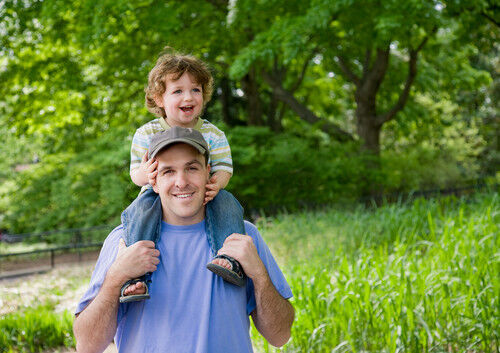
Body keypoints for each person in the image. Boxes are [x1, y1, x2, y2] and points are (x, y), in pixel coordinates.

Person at [73, 127, 294, 353]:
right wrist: (115, 278)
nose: (181, 181)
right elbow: (87, 346)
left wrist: (259, 274)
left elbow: (280, 335)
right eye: (168, 171)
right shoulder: (125, 241)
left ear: (208, 172)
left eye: (192, 168)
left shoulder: (241, 236)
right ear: (154, 182)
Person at [120, 49, 247, 302]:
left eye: (195, 90)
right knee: (138, 212)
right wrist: (146, 174)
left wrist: (216, 185)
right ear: (159, 98)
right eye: (178, 91)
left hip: (203, 192)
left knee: (229, 205)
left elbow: (224, 167)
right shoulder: (147, 133)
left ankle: (230, 259)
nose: (188, 97)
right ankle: (136, 277)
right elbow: (135, 173)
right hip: (156, 193)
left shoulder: (213, 134)